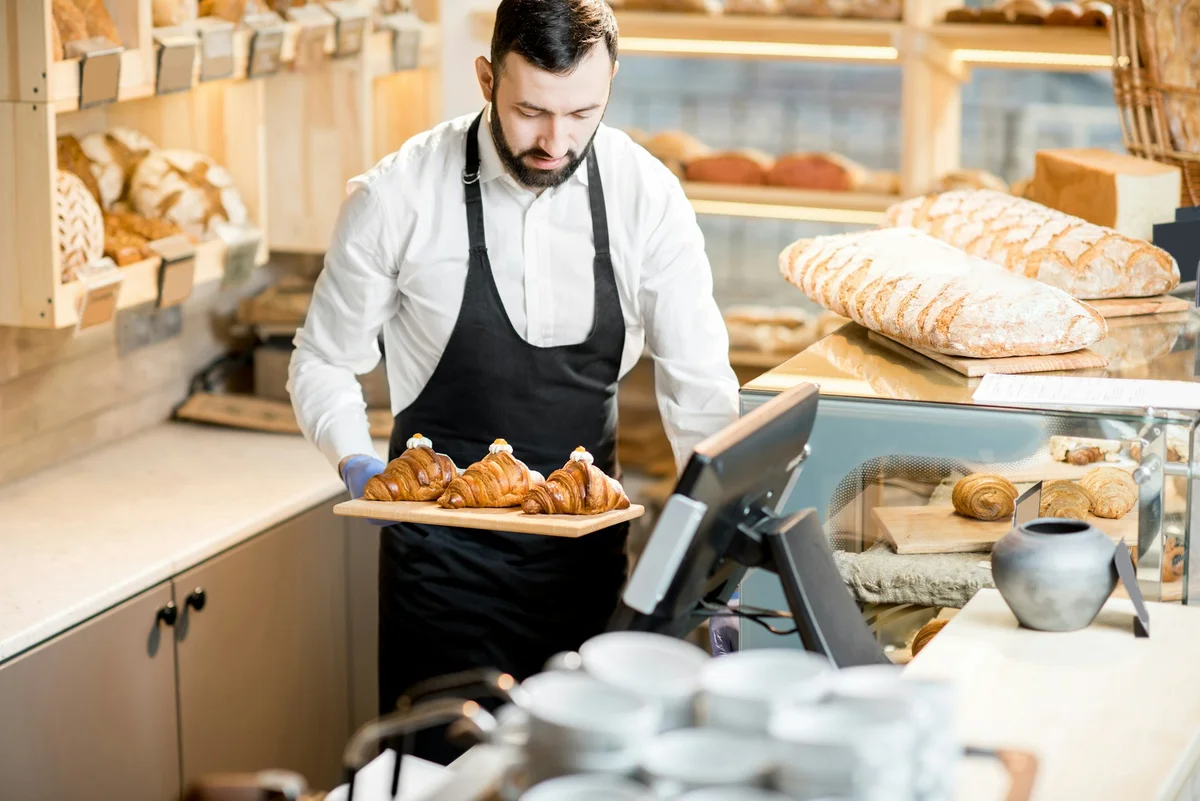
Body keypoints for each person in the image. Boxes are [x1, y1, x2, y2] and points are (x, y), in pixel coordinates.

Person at [288, 0, 739, 765]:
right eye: (531, 111)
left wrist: (722, 553)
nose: (555, 141)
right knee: (442, 778)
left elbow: (699, 394)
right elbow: (323, 359)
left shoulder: (645, 196)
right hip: (439, 577)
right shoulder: (398, 195)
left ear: (611, 86)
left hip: (588, 572)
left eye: (582, 113)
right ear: (486, 78)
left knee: (577, 778)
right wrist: (353, 457)